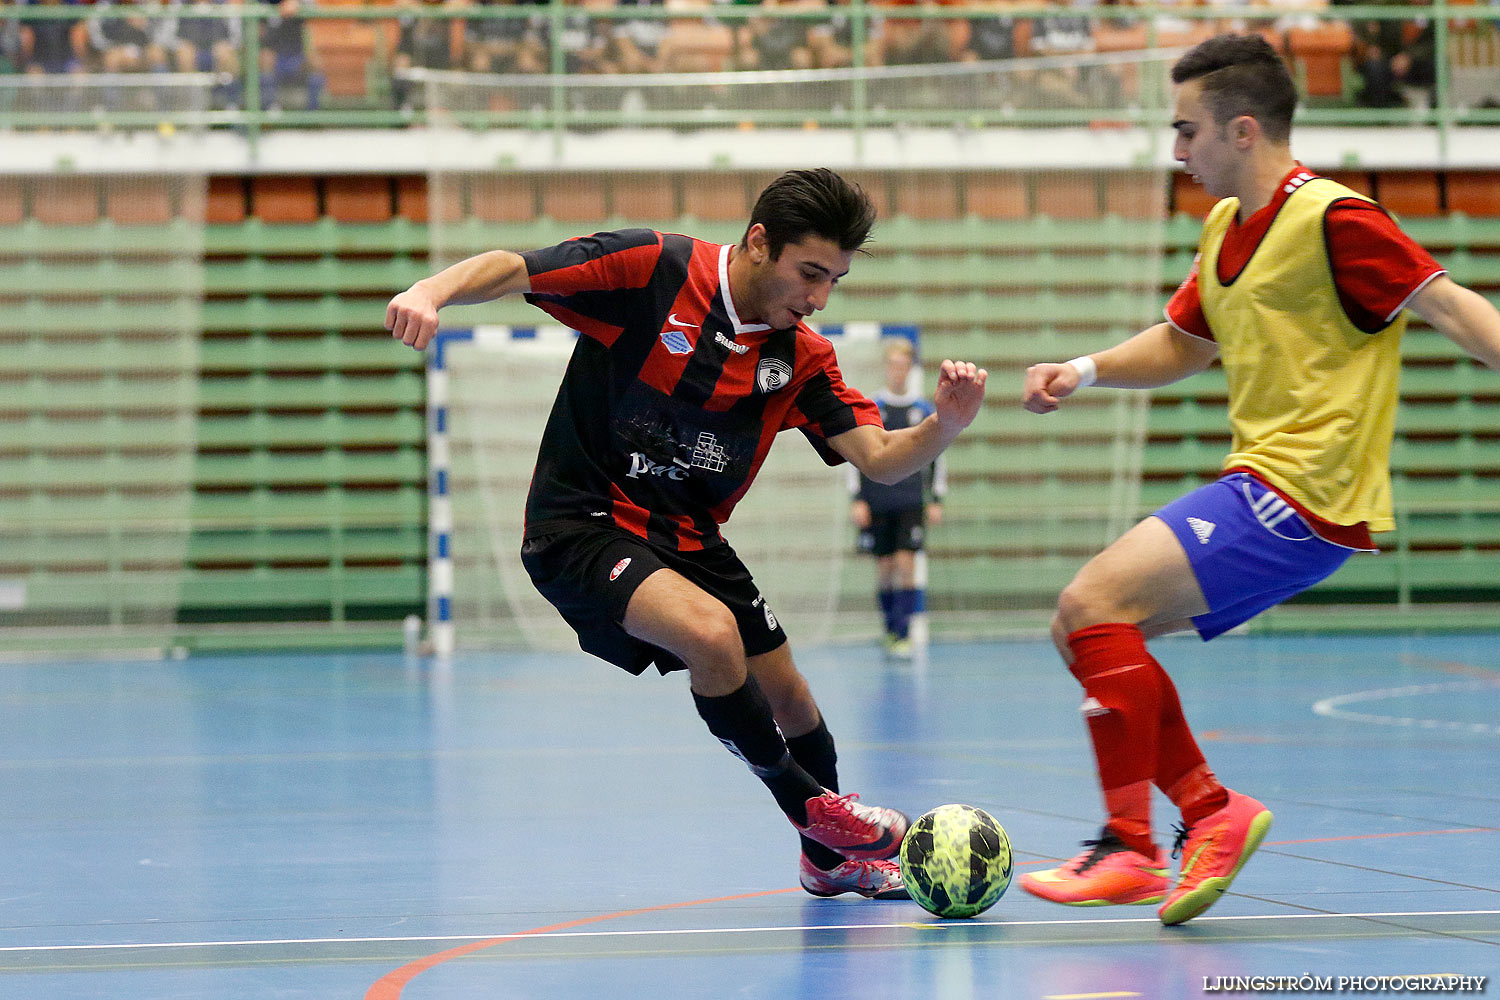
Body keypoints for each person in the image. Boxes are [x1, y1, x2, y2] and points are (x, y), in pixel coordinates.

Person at [387, 168, 988, 901]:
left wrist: (944, 424)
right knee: (710, 636)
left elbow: (884, 460)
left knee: (791, 697)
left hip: (690, 538)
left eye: (836, 279)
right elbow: (517, 267)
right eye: (810, 273)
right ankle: (811, 810)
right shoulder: (653, 269)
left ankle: (828, 865)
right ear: (759, 241)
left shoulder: (801, 357)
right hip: (581, 523)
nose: (820, 297)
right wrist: (430, 292)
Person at [1018, 33, 1500, 926]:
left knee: (1092, 603)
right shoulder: (1223, 228)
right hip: (1265, 489)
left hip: (1300, 493)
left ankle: (1133, 845)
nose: (1177, 150)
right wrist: (1082, 369)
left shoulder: (1335, 220)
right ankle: (1208, 813)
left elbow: (1448, 304)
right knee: (1083, 627)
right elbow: (1184, 344)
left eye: (1186, 129)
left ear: (1243, 130)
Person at [849, 338, 945, 658]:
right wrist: (857, 499)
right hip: (877, 498)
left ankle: (904, 631)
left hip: (910, 499)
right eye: (893, 365)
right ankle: (889, 628)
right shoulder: (872, 407)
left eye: (903, 365)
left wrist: (936, 499)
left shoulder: (924, 409)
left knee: (907, 565)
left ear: (910, 369)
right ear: (886, 368)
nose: (898, 372)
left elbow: (937, 457)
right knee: (885, 567)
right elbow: (857, 453)